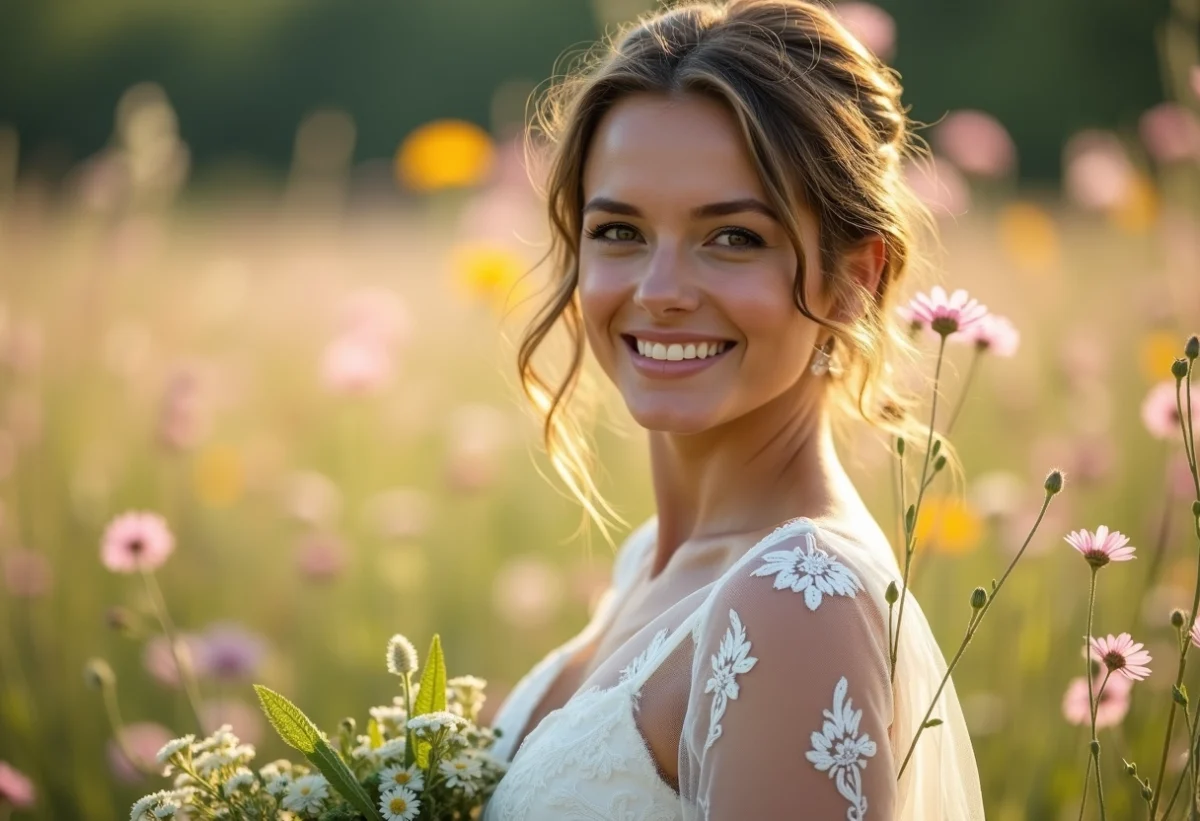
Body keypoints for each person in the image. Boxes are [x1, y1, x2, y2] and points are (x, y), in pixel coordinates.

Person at [482, 1, 985, 818]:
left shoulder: (796, 603)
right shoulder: (654, 560)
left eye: (734, 238)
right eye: (619, 231)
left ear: (855, 277)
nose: (660, 291)